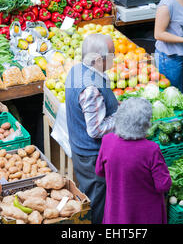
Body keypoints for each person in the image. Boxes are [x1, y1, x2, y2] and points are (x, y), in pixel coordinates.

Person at [64, 33, 118, 224]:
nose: (115, 57)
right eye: (112, 54)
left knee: (89, 192)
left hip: (81, 149)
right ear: (97, 59)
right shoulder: (91, 89)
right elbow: (95, 130)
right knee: (97, 201)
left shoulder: (76, 70)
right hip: (91, 156)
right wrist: (121, 117)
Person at [95, 97, 172, 224]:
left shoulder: (108, 140)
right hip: (145, 214)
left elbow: (100, 171)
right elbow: (163, 185)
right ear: (145, 124)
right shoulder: (151, 149)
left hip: (117, 212)